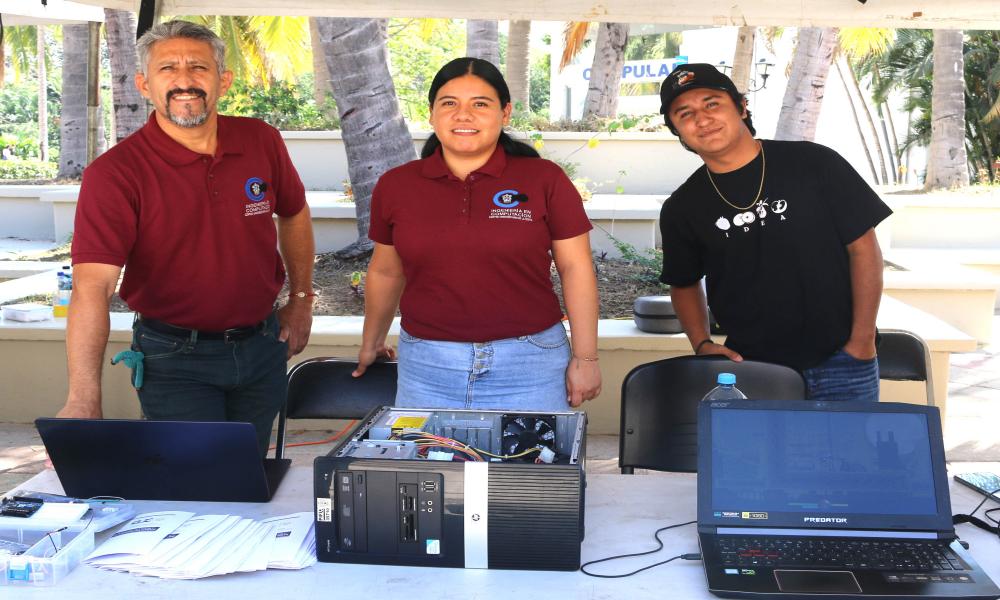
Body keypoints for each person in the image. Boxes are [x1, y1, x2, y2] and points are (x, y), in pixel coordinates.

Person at [55, 20, 315, 455]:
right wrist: (83, 397)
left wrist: (302, 299)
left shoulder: (261, 140)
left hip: (262, 347)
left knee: (248, 471)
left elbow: (294, 214)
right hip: (174, 359)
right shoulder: (116, 174)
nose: (184, 81)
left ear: (223, 81)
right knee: (199, 480)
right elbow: (91, 287)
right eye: (167, 69)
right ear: (143, 84)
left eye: (198, 67)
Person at [353, 57, 601, 412]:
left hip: (530, 363)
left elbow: (576, 269)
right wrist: (371, 340)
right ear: (432, 114)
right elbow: (386, 271)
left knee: (529, 469)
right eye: (449, 103)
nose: (463, 115)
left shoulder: (544, 179)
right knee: (429, 467)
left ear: (505, 113)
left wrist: (586, 358)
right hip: (427, 365)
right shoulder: (397, 185)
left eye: (480, 104)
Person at [657, 63, 892, 402]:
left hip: (842, 360)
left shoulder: (814, 164)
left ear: (741, 106)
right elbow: (684, 282)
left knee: (847, 456)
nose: (702, 119)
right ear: (677, 130)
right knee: (764, 456)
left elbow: (864, 248)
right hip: (751, 369)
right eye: (685, 113)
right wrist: (703, 344)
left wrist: (862, 339)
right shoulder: (682, 207)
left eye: (712, 103)